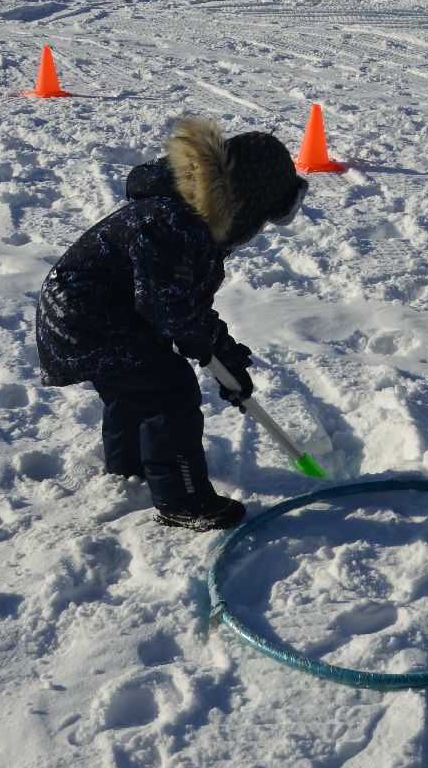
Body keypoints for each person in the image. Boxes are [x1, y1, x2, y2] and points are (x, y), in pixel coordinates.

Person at [35, 117, 308, 530]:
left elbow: (184, 304)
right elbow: (167, 309)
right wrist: (209, 352)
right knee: (168, 392)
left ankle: (131, 467)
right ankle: (182, 500)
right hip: (90, 321)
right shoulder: (174, 223)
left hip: (89, 316)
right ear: (247, 204)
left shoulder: (190, 214)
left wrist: (226, 358)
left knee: (135, 389)